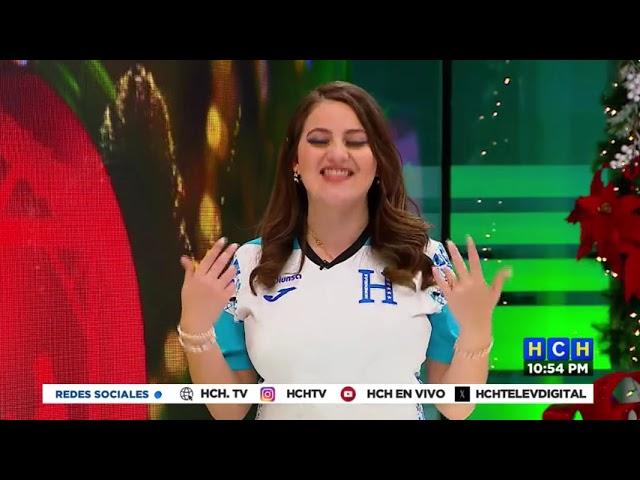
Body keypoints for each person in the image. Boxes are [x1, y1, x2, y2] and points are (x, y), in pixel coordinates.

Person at [178, 81, 511, 420]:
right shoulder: (249, 265)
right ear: (295, 160)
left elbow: (455, 406)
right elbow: (228, 407)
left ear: (379, 161)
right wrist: (195, 328)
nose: (337, 154)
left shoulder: (425, 259)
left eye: (355, 141)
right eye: (319, 140)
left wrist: (476, 331)